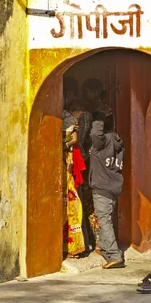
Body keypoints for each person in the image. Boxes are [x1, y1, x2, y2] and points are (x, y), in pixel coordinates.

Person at [89, 108, 125, 269]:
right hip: (113, 186)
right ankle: (104, 247)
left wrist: (99, 115)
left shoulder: (103, 142)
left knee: (104, 220)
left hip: (102, 186)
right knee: (105, 216)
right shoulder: (117, 141)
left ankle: (114, 255)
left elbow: (95, 134)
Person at [62, 109, 86, 258]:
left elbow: (72, 139)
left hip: (67, 172)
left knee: (70, 205)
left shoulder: (68, 120)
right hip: (65, 170)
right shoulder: (66, 119)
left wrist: (62, 144)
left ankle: (73, 247)